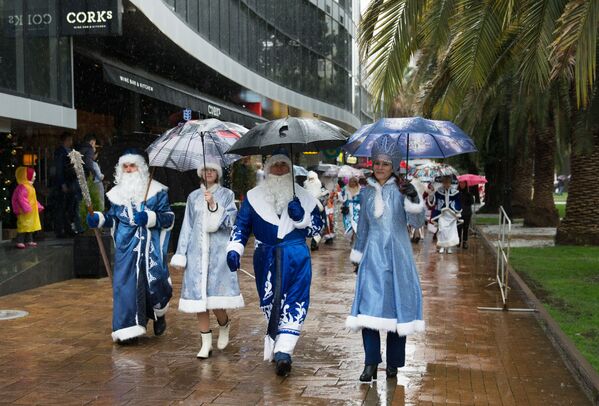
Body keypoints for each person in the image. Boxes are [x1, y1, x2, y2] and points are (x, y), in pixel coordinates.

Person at [226, 151, 324, 376]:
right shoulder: (253, 196)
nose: (279, 170)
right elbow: (242, 226)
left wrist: (301, 218)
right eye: (275, 166)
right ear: (268, 169)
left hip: (297, 257)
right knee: (271, 302)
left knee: (296, 301)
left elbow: (316, 229)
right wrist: (234, 249)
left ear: (290, 170)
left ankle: (283, 352)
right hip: (266, 258)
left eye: (284, 166)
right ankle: (279, 342)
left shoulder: (305, 196)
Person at [346, 135, 425, 382]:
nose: (379, 167)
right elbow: (364, 227)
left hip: (399, 258)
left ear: (394, 166)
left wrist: (414, 199)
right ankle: (370, 363)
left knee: (397, 309)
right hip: (372, 258)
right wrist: (357, 257)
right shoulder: (367, 193)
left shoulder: (403, 190)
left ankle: (393, 364)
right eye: (377, 162)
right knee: (368, 310)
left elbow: (417, 223)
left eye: (385, 163)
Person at [86, 150, 174, 343]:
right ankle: (129, 329)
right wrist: (99, 219)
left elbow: (169, 218)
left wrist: (150, 218)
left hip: (150, 249)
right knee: (126, 288)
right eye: (125, 166)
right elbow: (112, 218)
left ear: (141, 168)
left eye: (132, 166)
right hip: (126, 249)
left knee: (155, 284)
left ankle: (159, 315)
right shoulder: (117, 195)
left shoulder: (157, 191)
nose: (128, 170)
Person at [170, 159, 243, 359]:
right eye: (205, 170)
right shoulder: (193, 197)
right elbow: (187, 226)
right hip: (196, 254)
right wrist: (181, 254)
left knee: (215, 300)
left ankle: (224, 324)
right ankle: (205, 343)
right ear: (201, 173)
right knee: (198, 301)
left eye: (212, 169)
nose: (209, 172)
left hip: (217, 255)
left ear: (218, 173)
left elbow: (231, 222)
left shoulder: (227, 195)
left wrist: (213, 204)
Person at [11, 167, 44, 249]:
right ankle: (20, 241)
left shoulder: (30, 187)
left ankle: (29, 240)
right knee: (23, 226)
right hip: (24, 211)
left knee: (30, 226)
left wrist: (38, 206)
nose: (35, 177)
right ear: (27, 176)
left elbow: (33, 199)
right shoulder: (23, 187)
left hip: (31, 211)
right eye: (33, 176)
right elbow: (21, 198)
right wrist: (26, 208)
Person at [428, 175, 462, 253]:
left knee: (450, 231)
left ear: (450, 183)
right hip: (441, 214)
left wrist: (455, 210)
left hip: (451, 214)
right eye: (445, 182)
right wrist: (431, 194)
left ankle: (449, 247)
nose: (446, 184)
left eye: (448, 182)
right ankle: (442, 246)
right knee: (442, 230)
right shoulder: (438, 191)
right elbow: (434, 202)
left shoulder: (455, 192)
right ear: (443, 182)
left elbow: (458, 202)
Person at [52, 132, 77, 238]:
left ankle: (67, 228)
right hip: (64, 183)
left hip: (68, 182)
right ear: (65, 141)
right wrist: (62, 183)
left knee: (67, 207)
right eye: (70, 140)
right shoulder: (61, 153)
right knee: (62, 207)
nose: (71, 142)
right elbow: (59, 169)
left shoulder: (67, 152)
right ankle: (61, 230)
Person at [303, 171, 327, 251]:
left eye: (312, 179)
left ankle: (314, 242)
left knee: (320, 226)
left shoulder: (321, 187)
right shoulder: (304, 188)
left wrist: (321, 199)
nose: (311, 181)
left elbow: (326, 197)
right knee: (309, 226)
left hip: (318, 211)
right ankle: (311, 242)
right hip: (308, 211)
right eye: (309, 179)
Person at [339, 177, 361, 242]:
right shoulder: (345, 189)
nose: (352, 183)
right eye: (350, 182)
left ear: (356, 182)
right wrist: (340, 196)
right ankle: (351, 239)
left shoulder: (361, 189)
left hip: (357, 210)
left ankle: (356, 240)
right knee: (348, 225)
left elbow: (363, 199)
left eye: (353, 182)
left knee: (356, 225)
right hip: (348, 210)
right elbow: (342, 199)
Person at [406, 177, 427, 243]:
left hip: (412, 204)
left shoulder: (411, 184)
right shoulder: (421, 184)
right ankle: (417, 234)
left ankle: (413, 235)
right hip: (420, 204)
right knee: (418, 220)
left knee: (411, 220)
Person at [457, 180, 474, 249]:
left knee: (466, 227)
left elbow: (471, 202)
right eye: (460, 183)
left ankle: (465, 242)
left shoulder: (468, 193)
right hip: (459, 213)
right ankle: (458, 241)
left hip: (467, 213)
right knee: (459, 227)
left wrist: (469, 195)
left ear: (466, 184)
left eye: (463, 183)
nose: (462, 184)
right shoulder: (457, 193)